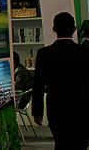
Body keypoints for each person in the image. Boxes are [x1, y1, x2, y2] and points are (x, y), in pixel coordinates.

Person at [31, 11, 89, 149]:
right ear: (74, 29)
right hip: (81, 109)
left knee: (61, 143)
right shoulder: (85, 53)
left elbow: (38, 84)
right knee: (80, 144)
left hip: (56, 108)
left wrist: (37, 111)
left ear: (54, 29)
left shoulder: (44, 54)